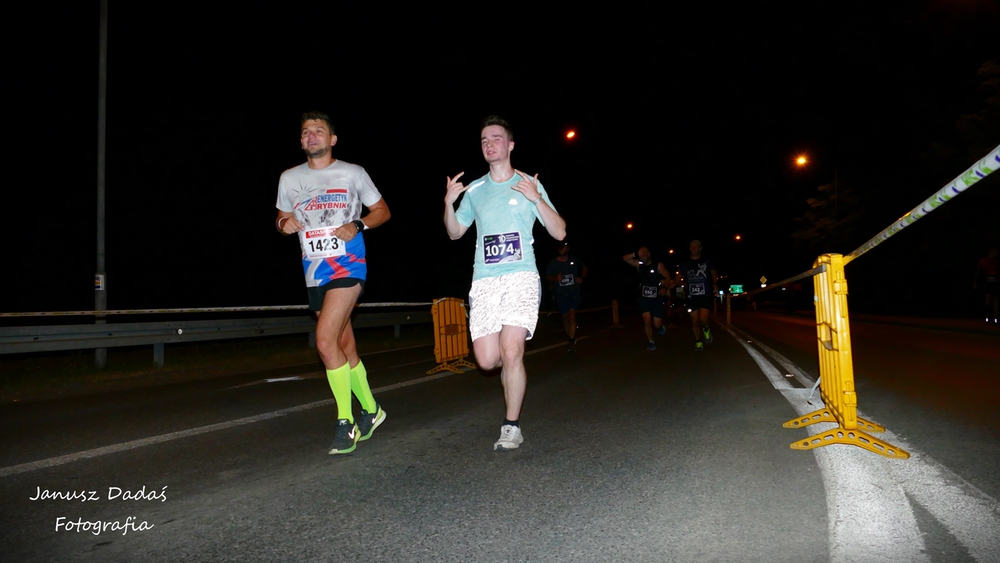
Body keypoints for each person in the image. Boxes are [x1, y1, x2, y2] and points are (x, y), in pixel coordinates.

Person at [444, 115, 566, 451]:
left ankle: (511, 426)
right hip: (484, 281)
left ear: (510, 145)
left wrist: (536, 198)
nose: (489, 144)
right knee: (487, 360)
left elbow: (559, 232)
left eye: (496, 138)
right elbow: (455, 233)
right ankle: (510, 369)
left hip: (521, 277)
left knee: (512, 351)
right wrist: (448, 204)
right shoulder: (475, 190)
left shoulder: (527, 183)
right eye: (484, 140)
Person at [275, 111, 391, 455]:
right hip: (313, 270)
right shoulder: (289, 178)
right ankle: (372, 410)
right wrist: (283, 225)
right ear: (301, 141)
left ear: (332, 139)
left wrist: (358, 224)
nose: (311, 136)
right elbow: (282, 216)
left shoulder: (353, 173)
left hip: (348, 265)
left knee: (325, 342)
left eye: (319, 130)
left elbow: (382, 211)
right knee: (344, 344)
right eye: (306, 132)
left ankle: (346, 422)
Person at [622, 248, 672, 350]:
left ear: (649, 254)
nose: (642, 258)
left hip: (656, 299)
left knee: (656, 324)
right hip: (644, 299)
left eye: (644, 255)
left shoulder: (658, 265)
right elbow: (625, 258)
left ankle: (660, 326)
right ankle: (651, 342)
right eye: (640, 256)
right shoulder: (639, 264)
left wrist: (665, 288)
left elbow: (668, 276)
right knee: (647, 321)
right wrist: (635, 253)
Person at [673, 240, 718, 352]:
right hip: (691, 296)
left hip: (705, 294)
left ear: (700, 248)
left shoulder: (706, 261)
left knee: (703, 320)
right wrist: (672, 285)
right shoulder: (685, 263)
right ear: (689, 249)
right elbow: (678, 276)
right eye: (692, 247)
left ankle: (706, 328)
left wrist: (715, 284)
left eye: (696, 246)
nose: (694, 248)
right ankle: (698, 342)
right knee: (695, 321)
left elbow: (713, 272)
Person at [546, 241, 588, 351]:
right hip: (561, 294)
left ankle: (571, 340)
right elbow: (548, 276)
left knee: (572, 315)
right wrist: (556, 278)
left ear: (567, 249)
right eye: (560, 248)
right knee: (565, 317)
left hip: (574, 293)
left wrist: (581, 278)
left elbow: (584, 268)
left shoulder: (574, 260)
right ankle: (570, 337)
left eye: (564, 247)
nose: (562, 250)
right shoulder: (553, 262)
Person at [974, 246, 999, 324]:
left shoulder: (996, 261)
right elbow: (978, 272)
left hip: (995, 281)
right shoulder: (983, 261)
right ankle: (987, 317)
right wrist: (975, 282)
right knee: (988, 299)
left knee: (995, 299)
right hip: (988, 281)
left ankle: (995, 317)